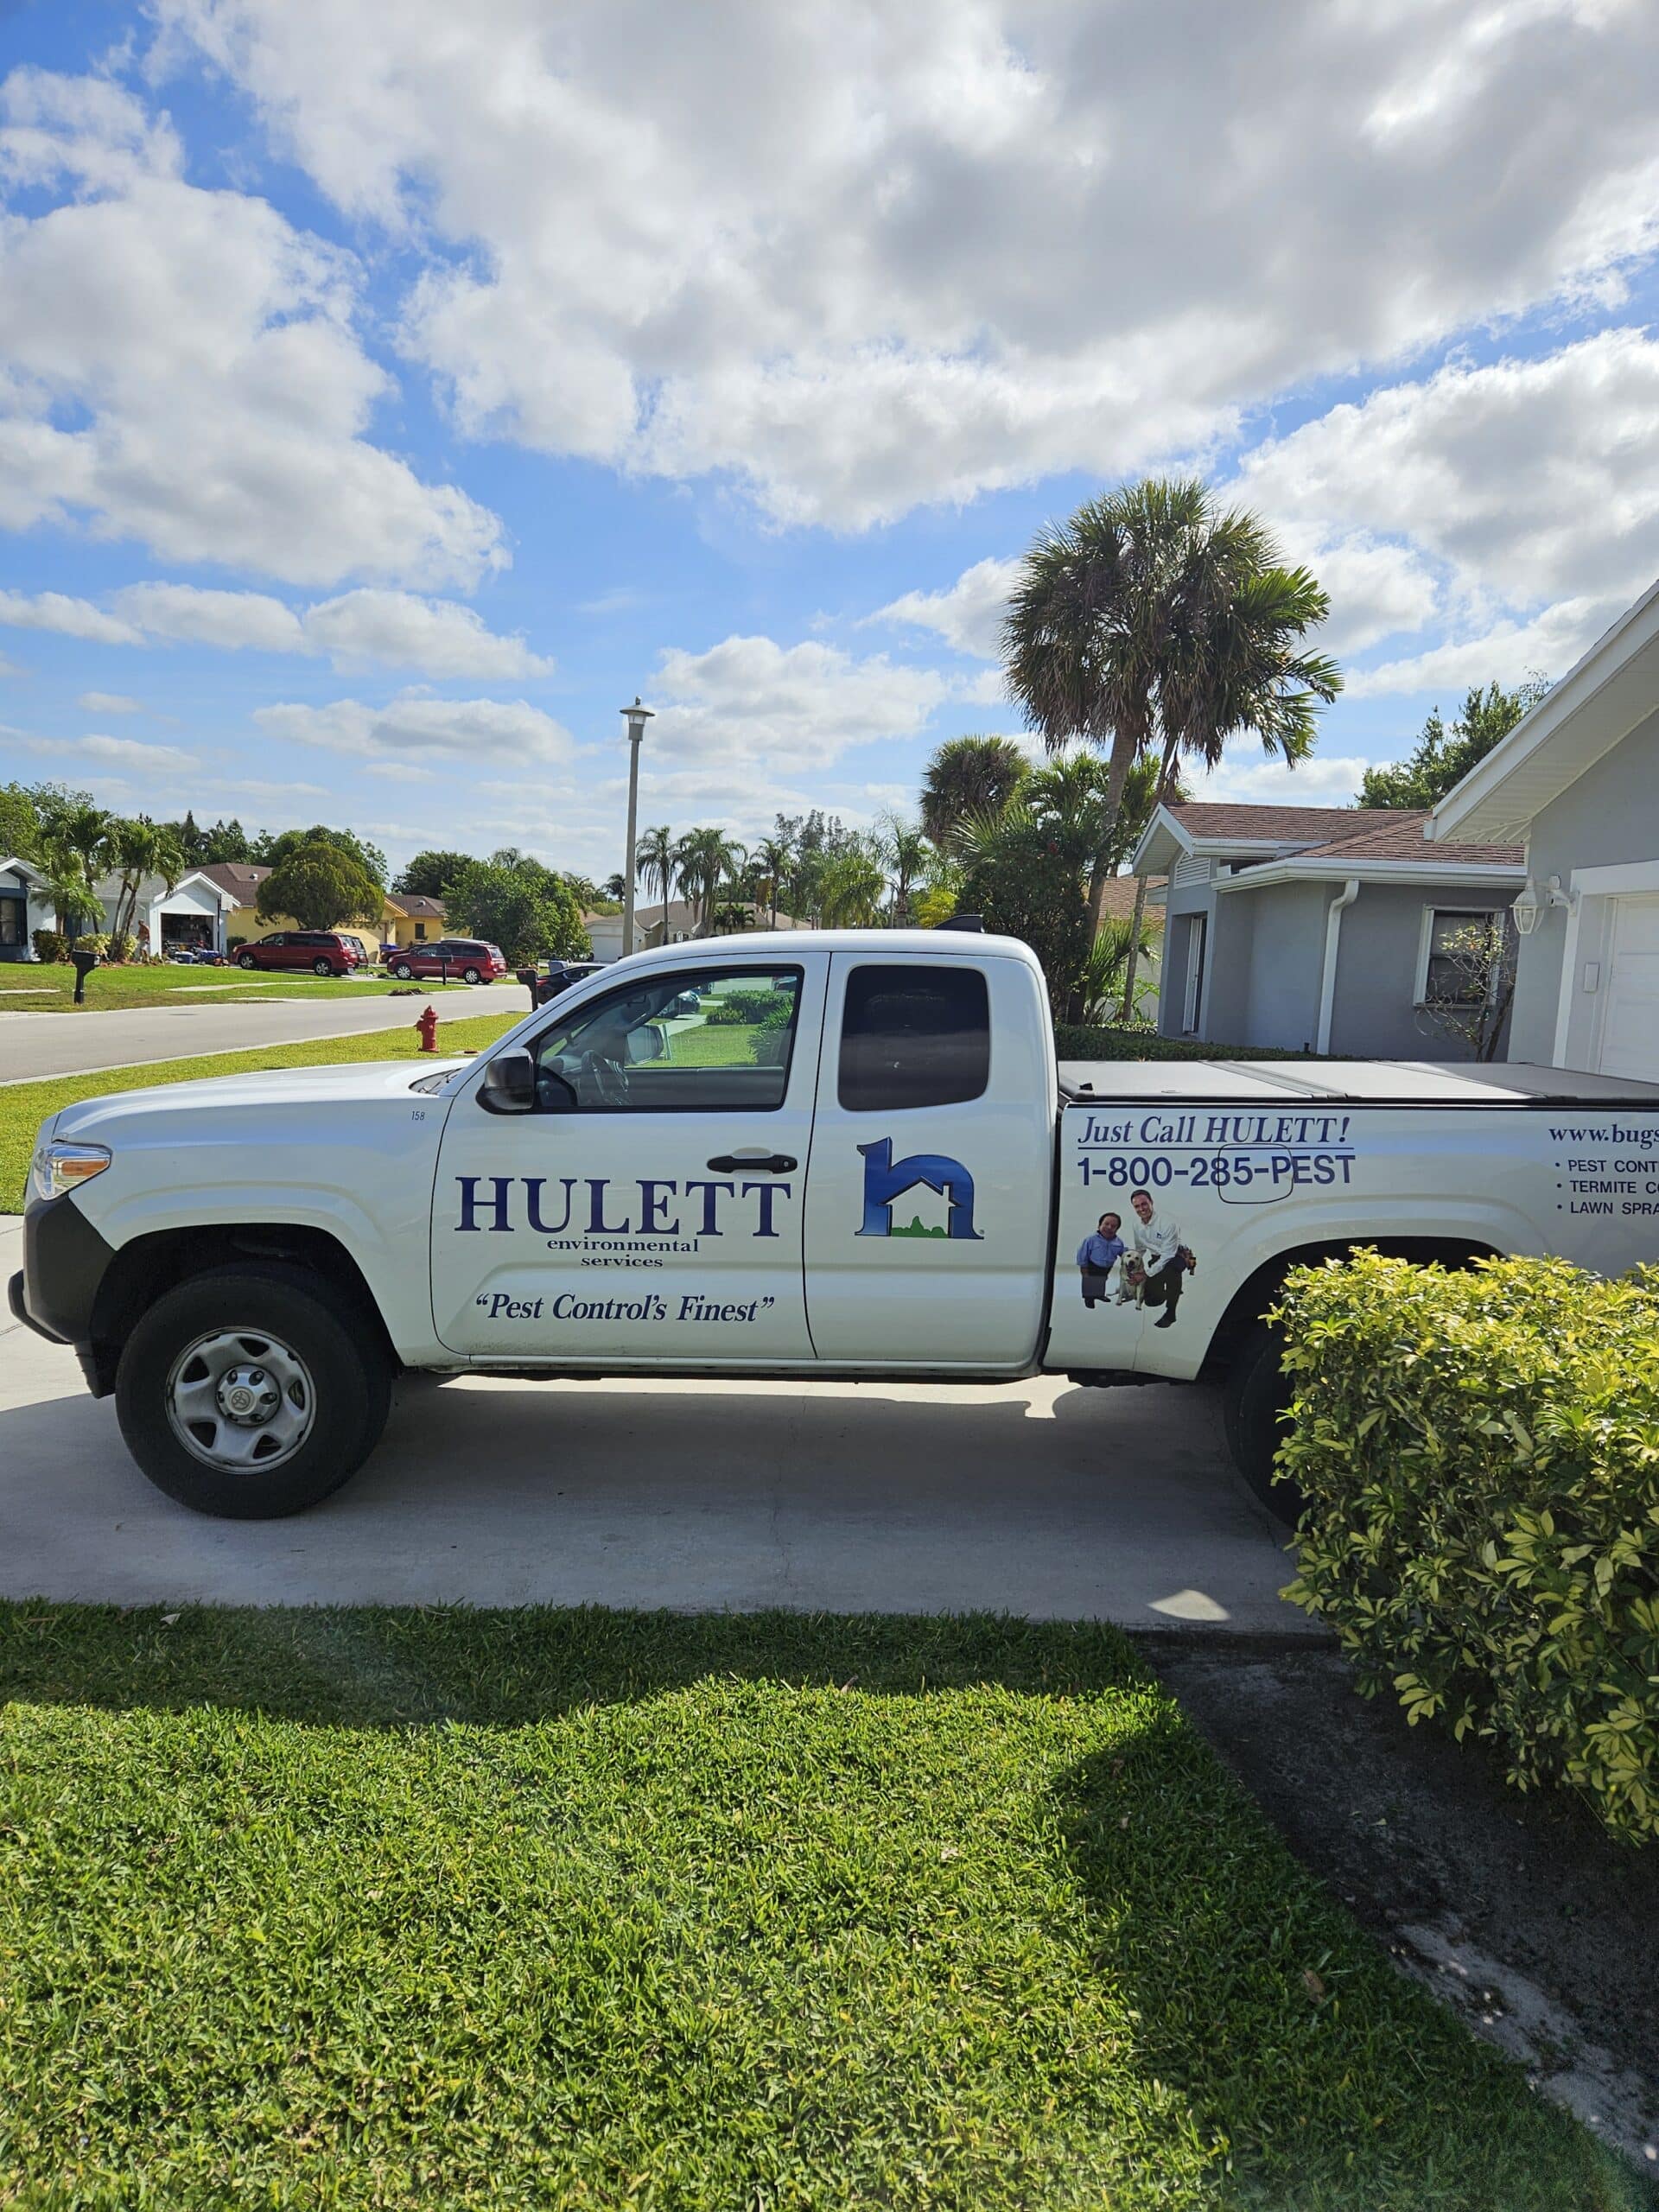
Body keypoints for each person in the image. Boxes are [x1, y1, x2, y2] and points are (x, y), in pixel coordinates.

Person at [1128, 1187, 1188, 1329]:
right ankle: (1168, 1293)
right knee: (1152, 1300)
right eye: (1137, 1206)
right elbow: (1140, 1249)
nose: (1141, 1209)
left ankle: (1171, 1312)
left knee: (1172, 1272)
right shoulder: (1136, 1225)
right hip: (1156, 1257)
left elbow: (1168, 1256)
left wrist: (1145, 1274)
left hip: (1175, 1256)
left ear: (1151, 1202)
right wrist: (1131, 1266)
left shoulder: (1168, 1223)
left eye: (1144, 1204)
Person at [1075, 1212, 1126, 1308]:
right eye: (1106, 1224)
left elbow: (1123, 1253)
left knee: (1102, 1281)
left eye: (1113, 1226)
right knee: (1089, 1283)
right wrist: (1084, 1268)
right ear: (1099, 1225)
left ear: (1117, 1229)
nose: (1109, 1227)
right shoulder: (1091, 1240)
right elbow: (1082, 1253)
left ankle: (1099, 1294)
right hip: (1092, 1265)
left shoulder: (1118, 1242)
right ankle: (1089, 1299)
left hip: (1106, 1267)